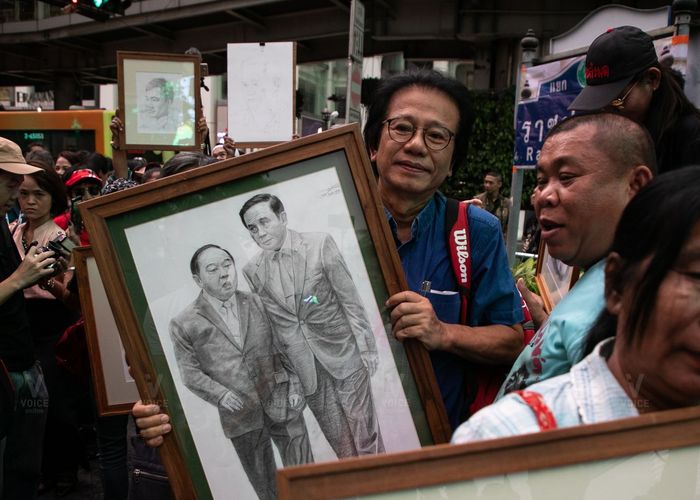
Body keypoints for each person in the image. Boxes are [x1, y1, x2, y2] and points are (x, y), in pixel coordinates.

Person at [133, 69, 524, 442]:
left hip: (438, 446)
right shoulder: (328, 224)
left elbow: (511, 340)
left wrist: (443, 333)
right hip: (329, 417)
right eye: (402, 128)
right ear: (373, 145)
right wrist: (172, 410)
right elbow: (258, 332)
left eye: (437, 135)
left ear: (454, 160)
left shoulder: (475, 232)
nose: (416, 144)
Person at [453, 165, 700, 442]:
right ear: (617, 286)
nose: (545, 196)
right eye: (696, 276)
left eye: (567, 178)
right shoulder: (506, 436)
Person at [498, 112, 655, 397]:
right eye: (541, 180)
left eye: (567, 177)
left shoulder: (636, 307)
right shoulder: (606, 278)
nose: (544, 195)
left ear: (636, 185)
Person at [239, 193, 383, 458]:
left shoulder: (319, 244)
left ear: (282, 217)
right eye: (252, 228)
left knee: (367, 440)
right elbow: (274, 329)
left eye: (264, 222)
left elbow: (349, 299)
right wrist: (290, 379)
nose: (259, 232)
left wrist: (367, 347)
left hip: (344, 354)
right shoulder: (252, 270)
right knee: (343, 449)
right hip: (306, 371)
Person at [170, 244, 312, 499]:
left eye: (227, 264)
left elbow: (284, 345)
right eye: (213, 269)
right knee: (267, 488)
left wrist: (295, 384)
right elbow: (189, 373)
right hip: (240, 416)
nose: (224, 273)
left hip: (282, 400)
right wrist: (221, 394)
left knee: (306, 477)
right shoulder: (184, 323)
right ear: (197, 279)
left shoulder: (258, 301)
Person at [11, 163, 81, 495]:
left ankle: (63, 469)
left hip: (52, 323)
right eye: (23, 194)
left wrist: (46, 281)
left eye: (39, 194)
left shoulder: (63, 239)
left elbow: (68, 293)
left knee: (55, 402)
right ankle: (37, 468)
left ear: (53, 198)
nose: (30, 201)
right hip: (19, 323)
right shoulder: (11, 231)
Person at [0, 137, 60, 499]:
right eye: (12, 184)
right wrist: (20, 279)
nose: (21, 194)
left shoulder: (7, 224)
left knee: (24, 467)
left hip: (24, 361)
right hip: (7, 372)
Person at [569, 25, 700, 174]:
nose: (610, 114)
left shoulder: (690, 139)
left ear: (652, 79)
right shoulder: (619, 138)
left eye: (617, 100)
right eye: (600, 104)